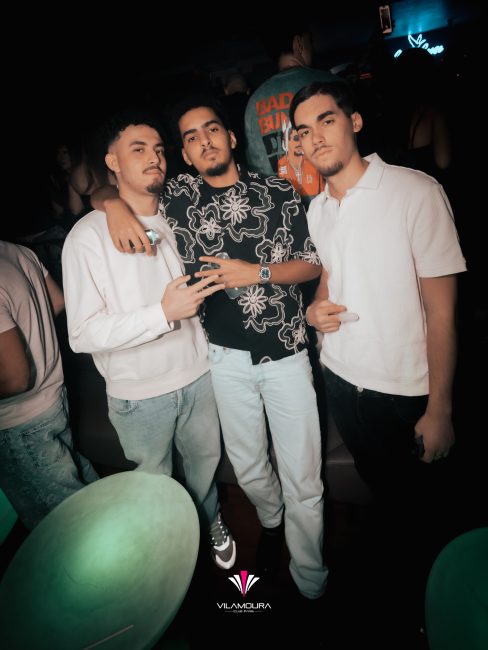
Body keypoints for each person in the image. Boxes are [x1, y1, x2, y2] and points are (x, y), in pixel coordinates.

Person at [92, 97, 328, 604]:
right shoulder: (177, 196)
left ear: (231, 136)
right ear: (185, 154)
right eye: (192, 137)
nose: (205, 141)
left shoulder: (277, 192)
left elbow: (311, 263)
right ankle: (272, 521)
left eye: (212, 129)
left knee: (304, 475)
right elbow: (105, 187)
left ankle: (310, 578)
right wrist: (111, 205)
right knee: (249, 467)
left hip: (286, 353)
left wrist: (255, 273)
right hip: (223, 360)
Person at [289, 80, 466, 639]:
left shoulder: (415, 191)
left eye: (326, 120)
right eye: (303, 130)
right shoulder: (318, 209)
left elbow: (443, 312)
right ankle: (400, 602)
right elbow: (329, 274)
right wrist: (316, 309)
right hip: (343, 382)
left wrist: (440, 409)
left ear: (355, 121)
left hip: (407, 391)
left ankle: (439, 613)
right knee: (386, 499)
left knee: (429, 512)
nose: (315, 137)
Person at [61, 111, 236, 570]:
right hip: (138, 395)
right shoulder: (86, 237)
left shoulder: (182, 215)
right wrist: (160, 314)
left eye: (158, 149)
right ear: (111, 162)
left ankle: (209, 520)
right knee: (153, 482)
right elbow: (81, 334)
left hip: (199, 376)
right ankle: (168, 553)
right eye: (138, 149)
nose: (154, 157)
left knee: (204, 468)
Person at [0, 240, 98, 530]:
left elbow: (16, 378)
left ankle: (114, 552)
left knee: (62, 523)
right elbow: (57, 300)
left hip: (19, 422)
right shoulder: (17, 251)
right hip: (54, 396)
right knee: (74, 473)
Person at [244, 24, 336, 204]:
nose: (312, 48)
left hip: (284, 213)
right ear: (298, 43)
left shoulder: (254, 102)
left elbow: (257, 172)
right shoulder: (331, 84)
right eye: (310, 42)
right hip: (336, 206)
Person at [277, 127, 324, 196]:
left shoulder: (312, 161)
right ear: (286, 142)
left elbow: (323, 191)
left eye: (302, 138)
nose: (300, 143)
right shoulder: (281, 164)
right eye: (296, 138)